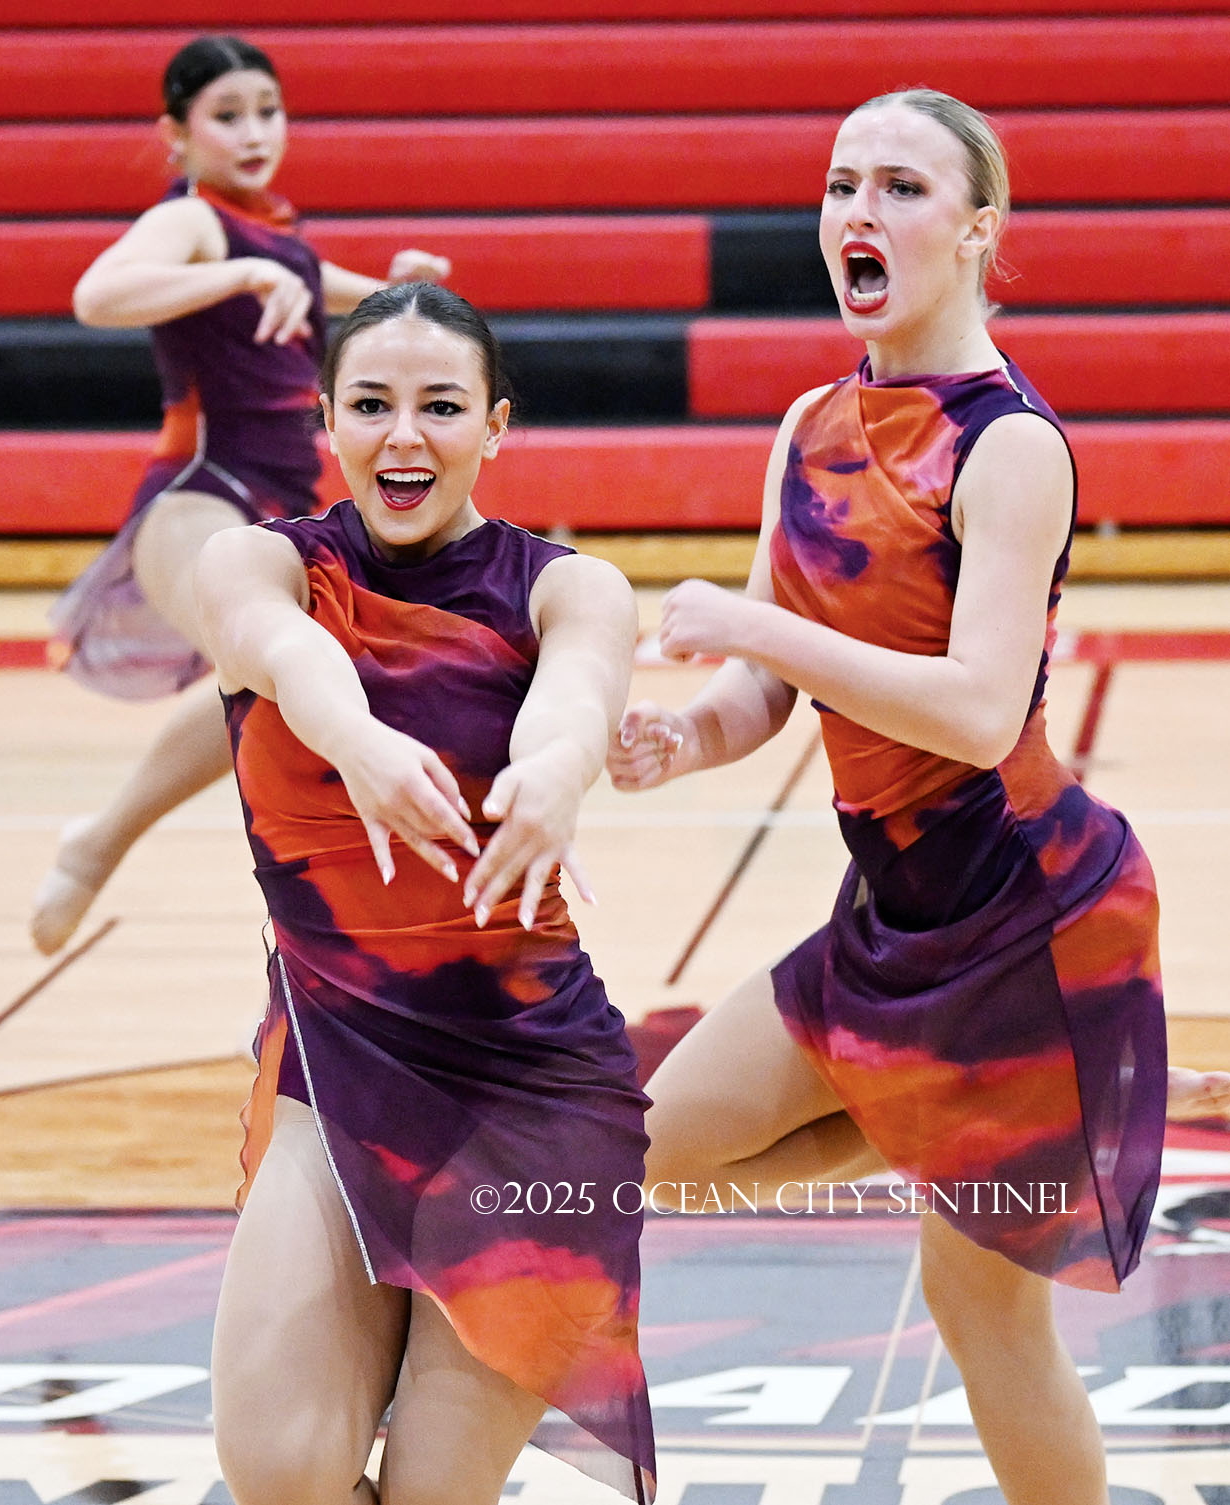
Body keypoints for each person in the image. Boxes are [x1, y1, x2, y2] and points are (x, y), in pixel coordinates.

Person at [608, 88, 1226, 1505]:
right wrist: (685, 737)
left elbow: (972, 707)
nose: (858, 212)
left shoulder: (1010, 445)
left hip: (1025, 917)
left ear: (976, 230)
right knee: (641, 1144)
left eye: (900, 186)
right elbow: (764, 687)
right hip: (891, 910)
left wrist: (751, 627)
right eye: (841, 184)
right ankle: (999, 1110)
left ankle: (1053, 1089)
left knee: (982, 1311)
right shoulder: (808, 422)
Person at [192, 281, 655, 1505]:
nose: (405, 435)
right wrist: (355, 740)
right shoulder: (256, 563)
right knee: (278, 1468)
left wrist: (553, 771)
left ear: (495, 427)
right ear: (325, 420)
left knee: (436, 1494)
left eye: (442, 406)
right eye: (372, 404)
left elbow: (578, 689)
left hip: (527, 1082)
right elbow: (283, 651)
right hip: (334, 1061)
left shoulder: (568, 585)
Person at [30, 34, 450, 955]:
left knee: (272, 684)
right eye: (228, 116)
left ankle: (105, 841)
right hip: (198, 499)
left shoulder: (274, 232)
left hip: (276, 509)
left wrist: (399, 289)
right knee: (282, 668)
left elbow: (323, 287)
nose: (255, 132)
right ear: (176, 135)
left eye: (268, 110)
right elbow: (96, 294)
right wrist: (235, 270)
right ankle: (294, 901)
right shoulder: (196, 221)